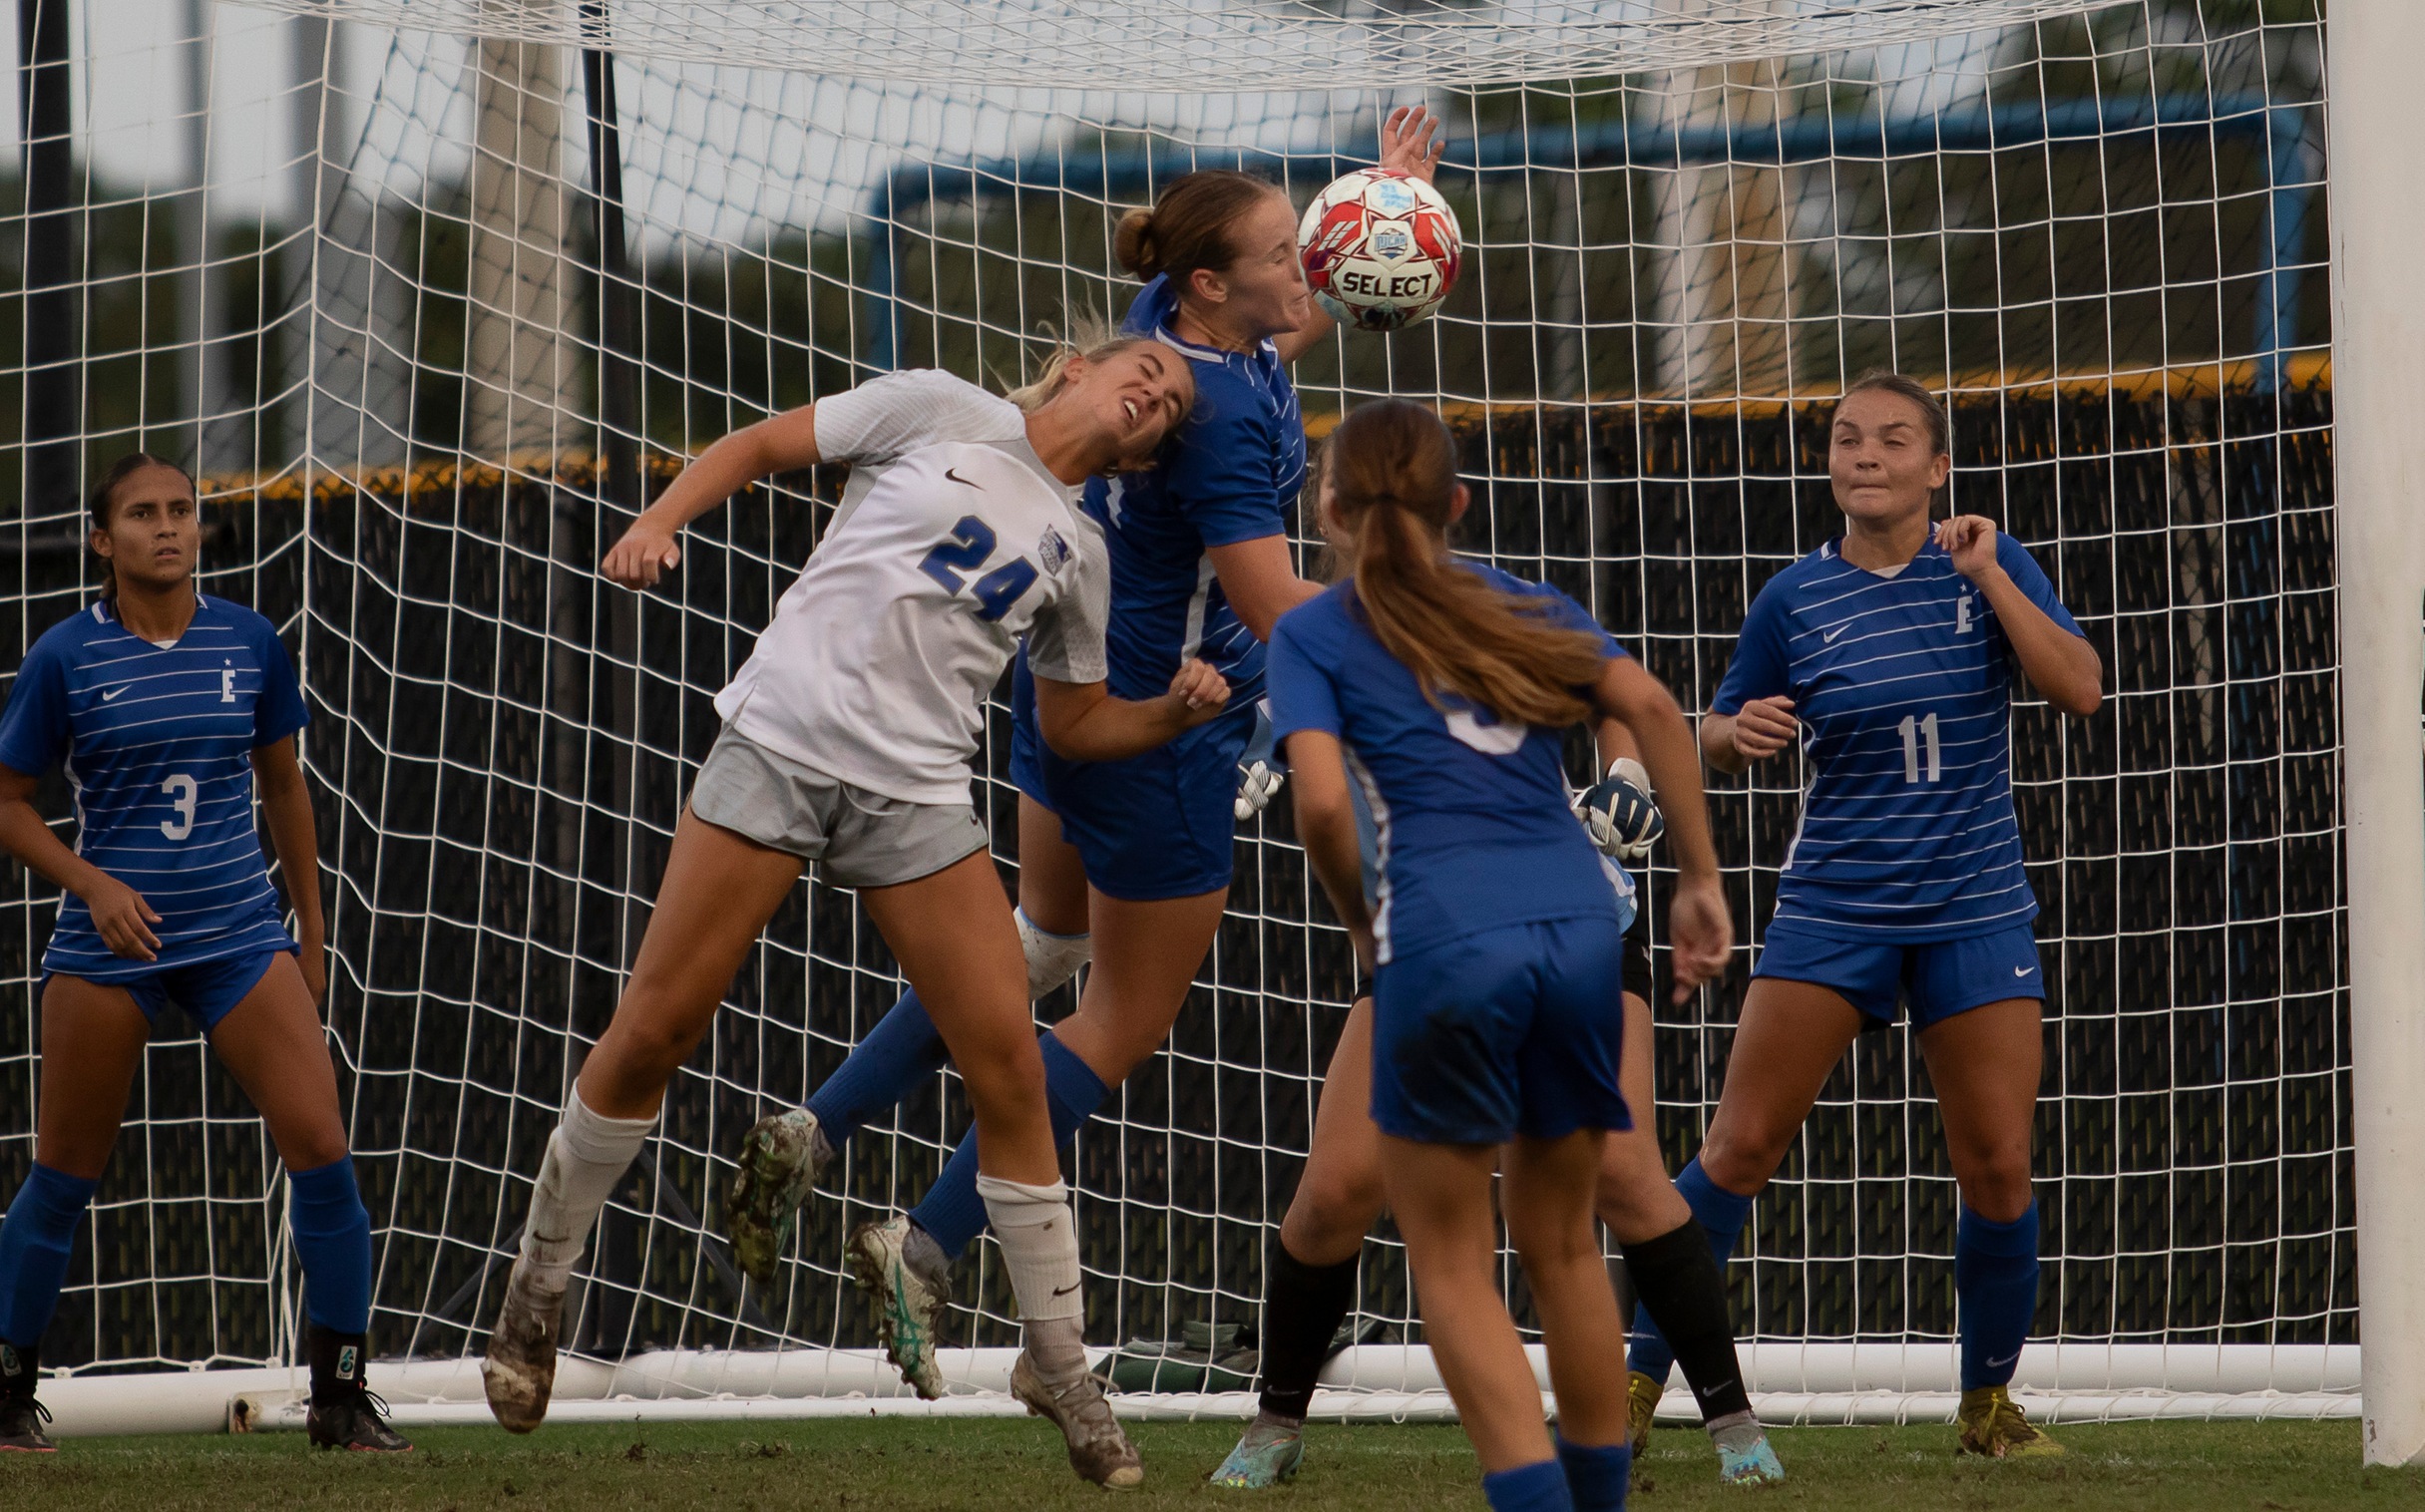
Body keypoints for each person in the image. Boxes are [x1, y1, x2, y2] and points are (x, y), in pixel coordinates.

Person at [719, 110, 1451, 1398]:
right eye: (1291, 250)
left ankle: (812, 1123)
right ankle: (925, 1246)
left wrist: (1378, 211)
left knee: (1034, 949)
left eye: (1311, 248)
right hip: (1158, 719)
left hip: (1060, 695)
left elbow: (1287, 319)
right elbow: (1274, 603)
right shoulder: (1215, 418)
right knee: (1110, 1021)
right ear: (1212, 283)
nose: (1311, 268)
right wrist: (1425, 643)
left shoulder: (1166, 323)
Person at [479, 334, 1217, 1489]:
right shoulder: (941, 409)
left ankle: (1063, 1369)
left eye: (1168, 408)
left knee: (1012, 1073)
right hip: (779, 745)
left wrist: (1171, 715)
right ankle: (536, 1286)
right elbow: (759, 443)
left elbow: (1070, 728)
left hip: (916, 795)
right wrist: (661, 517)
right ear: (1075, 365)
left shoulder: (1083, 549)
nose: (1150, 400)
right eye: (1144, 376)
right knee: (656, 1029)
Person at [1210, 442, 1782, 1491]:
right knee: (1546, 1243)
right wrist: (1701, 879)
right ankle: (1284, 1424)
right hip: (1575, 926)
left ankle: (1641, 1449)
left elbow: (1326, 806)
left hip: (1439, 934)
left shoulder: (1314, 629)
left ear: (1324, 509)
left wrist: (1364, 926)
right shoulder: (1519, 601)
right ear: (1460, 504)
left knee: (1457, 1262)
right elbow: (1656, 708)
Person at [1625, 370, 2102, 1459]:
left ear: (1937, 467)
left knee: (1996, 1164)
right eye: (1846, 439)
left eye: (1892, 440)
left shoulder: (1983, 563)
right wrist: (1727, 734)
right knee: (1736, 1148)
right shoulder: (1795, 598)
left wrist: (1989, 575)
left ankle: (1985, 1404)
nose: (1865, 456)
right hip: (1834, 906)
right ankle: (1632, 1388)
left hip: (1972, 909)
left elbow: (2079, 687)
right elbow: (1704, 728)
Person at [0, 455, 405, 1453]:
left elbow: (285, 789)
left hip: (237, 934)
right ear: (103, 541)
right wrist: (92, 885)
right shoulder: (66, 656)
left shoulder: (249, 641)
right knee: (63, 1175)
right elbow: (8, 804)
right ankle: (6, 1392)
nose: (167, 528)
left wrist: (310, 932)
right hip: (110, 950)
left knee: (323, 1150)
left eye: (181, 510)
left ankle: (342, 1397)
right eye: (142, 514)